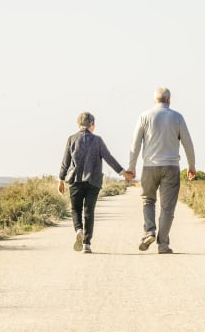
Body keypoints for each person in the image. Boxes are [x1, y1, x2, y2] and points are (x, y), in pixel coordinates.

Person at [125, 87, 196, 254]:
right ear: (169, 100)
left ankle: (149, 231)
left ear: (155, 100)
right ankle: (163, 245)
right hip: (171, 167)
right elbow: (188, 143)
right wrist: (191, 165)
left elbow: (135, 144)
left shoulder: (144, 116)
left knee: (148, 201)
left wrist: (131, 167)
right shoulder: (177, 117)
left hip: (149, 166)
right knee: (167, 208)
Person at [58, 112, 132, 254]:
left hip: (75, 181)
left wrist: (61, 180)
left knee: (75, 209)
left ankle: (78, 229)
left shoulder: (71, 139)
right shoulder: (97, 140)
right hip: (93, 181)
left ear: (78, 125)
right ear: (91, 125)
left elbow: (65, 162)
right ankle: (86, 244)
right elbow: (109, 158)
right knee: (89, 211)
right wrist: (123, 173)